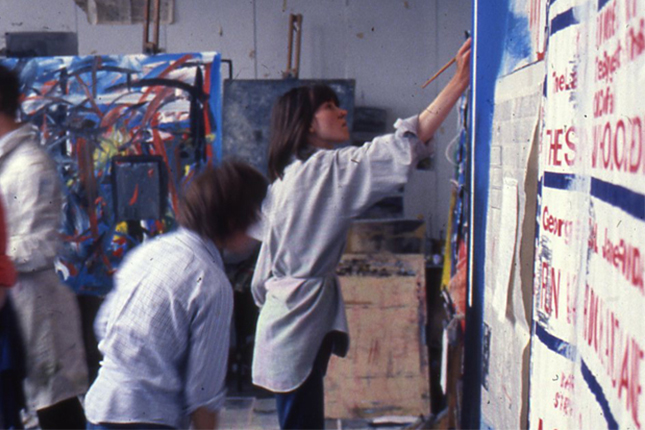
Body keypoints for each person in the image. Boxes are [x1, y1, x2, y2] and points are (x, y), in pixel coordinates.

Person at [250, 38, 472, 429]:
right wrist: (458, 83)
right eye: (329, 107)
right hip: (298, 321)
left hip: (283, 319)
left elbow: (260, 272)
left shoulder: (286, 178)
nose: (342, 111)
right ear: (305, 124)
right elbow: (403, 144)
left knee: (299, 419)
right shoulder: (322, 171)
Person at [85, 161, 268, 430]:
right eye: (254, 224)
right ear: (233, 222)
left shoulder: (150, 250)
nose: (256, 238)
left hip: (100, 408)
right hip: (149, 419)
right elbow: (203, 393)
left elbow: (103, 324)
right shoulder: (212, 284)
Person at [0, 64, 89, 429]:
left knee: (55, 412)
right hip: (13, 310)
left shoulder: (28, 165)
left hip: (35, 313)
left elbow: (41, 245)